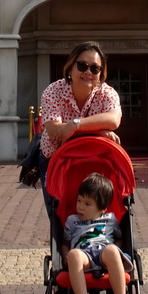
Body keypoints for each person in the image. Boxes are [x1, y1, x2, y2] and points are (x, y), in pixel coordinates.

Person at [37, 41, 122, 200]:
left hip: (95, 162)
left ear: (101, 74)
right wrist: (98, 130)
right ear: (70, 67)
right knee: (58, 215)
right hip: (56, 160)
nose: (88, 72)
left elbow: (114, 119)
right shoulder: (53, 91)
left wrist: (75, 125)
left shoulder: (107, 93)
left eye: (95, 68)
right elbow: (55, 131)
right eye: (82, 66)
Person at [62, 172, 136, 294]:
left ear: (102, 208)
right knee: (73, 254)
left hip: (104, 254)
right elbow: (65, 242)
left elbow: (119, 238)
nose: (80, 207)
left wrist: (117, 250)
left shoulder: (110, 219)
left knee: (112, 249)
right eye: (79, 201)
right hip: (84, 256)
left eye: (87, 204)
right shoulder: (72, 221)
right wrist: (65, 255)